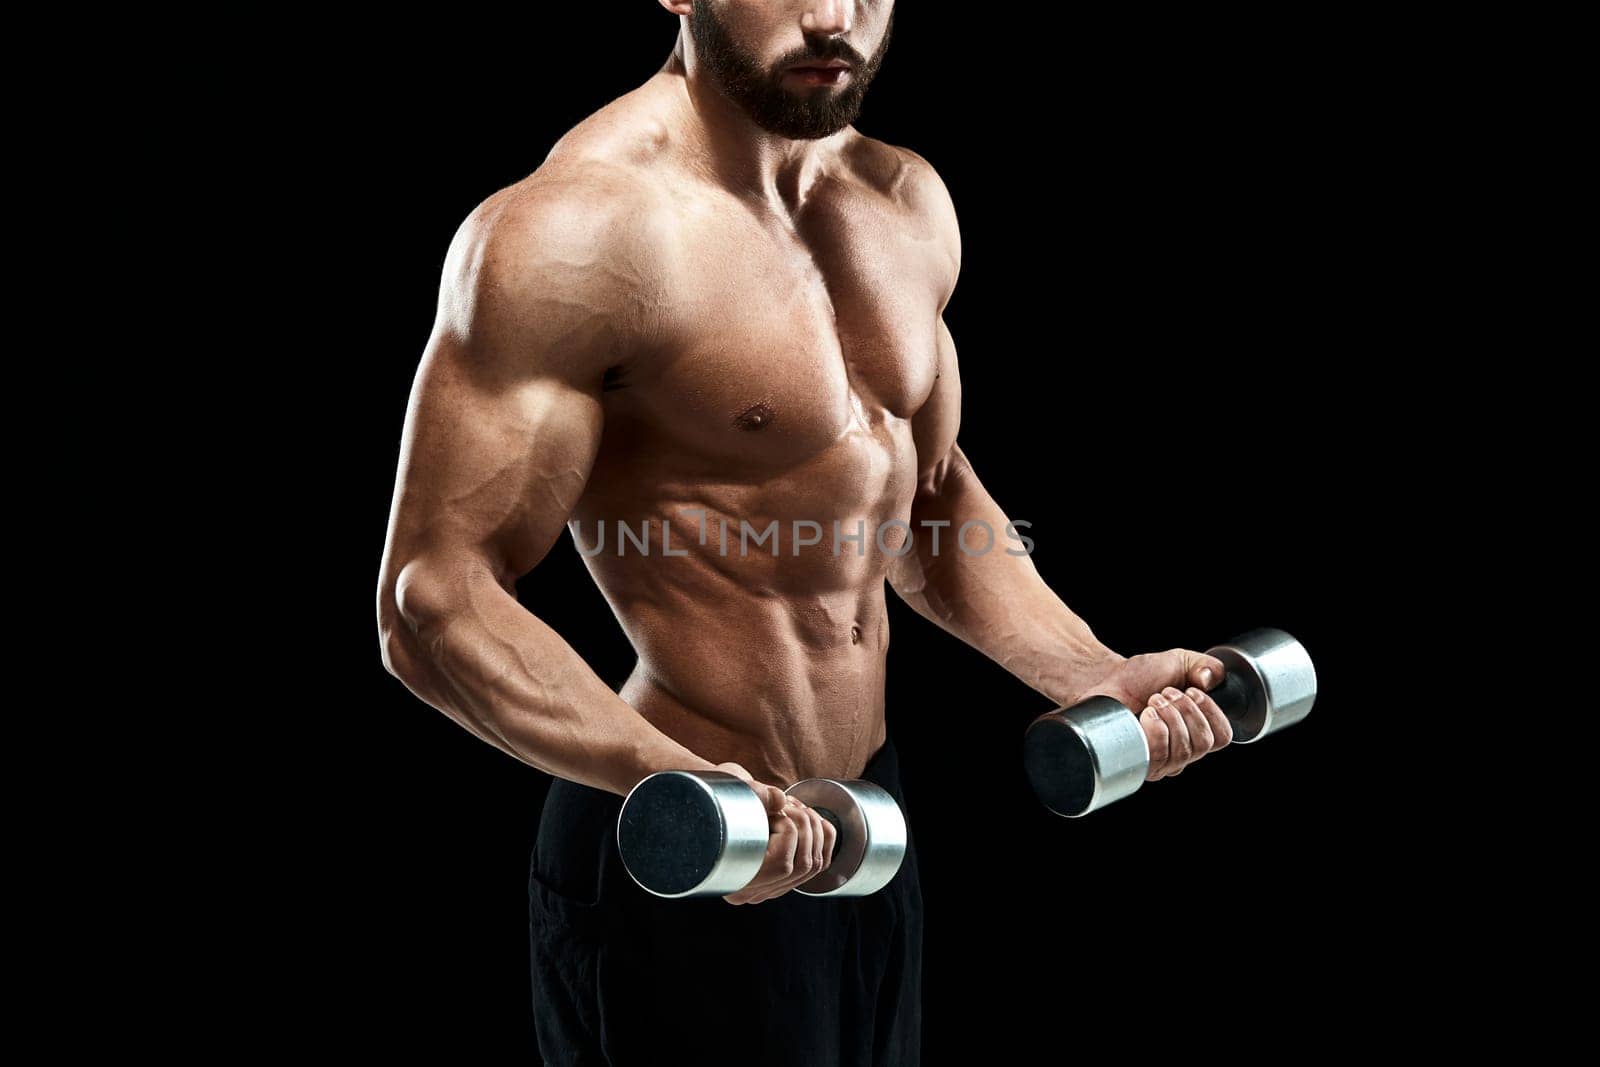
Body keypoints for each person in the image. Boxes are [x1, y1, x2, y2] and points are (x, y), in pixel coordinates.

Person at [377, 2, 1234, 1063]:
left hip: (868, 825)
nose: (835, 17)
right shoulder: (573, 231)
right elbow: (433, 595)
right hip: (688, 847)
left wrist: (1089, 670)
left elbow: (920, 500)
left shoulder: (903, 199)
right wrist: (667, 781)